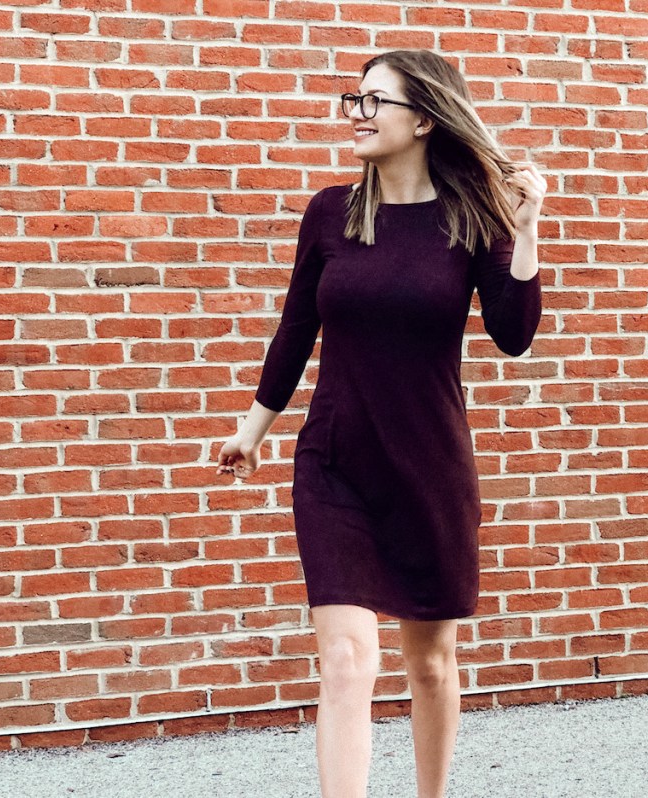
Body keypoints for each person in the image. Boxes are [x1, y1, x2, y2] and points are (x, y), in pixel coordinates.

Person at [215, 49, 546, 798]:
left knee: (428, 661)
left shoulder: (474, 218)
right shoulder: (332, 212)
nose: (356, 114)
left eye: (374, 101)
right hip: (334, 461)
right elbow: (295, 327)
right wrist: (253, 428)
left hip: (429, 465)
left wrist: (526, 231)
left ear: (425, 117)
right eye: (352, 100)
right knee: (345, 662)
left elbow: (514, 332)